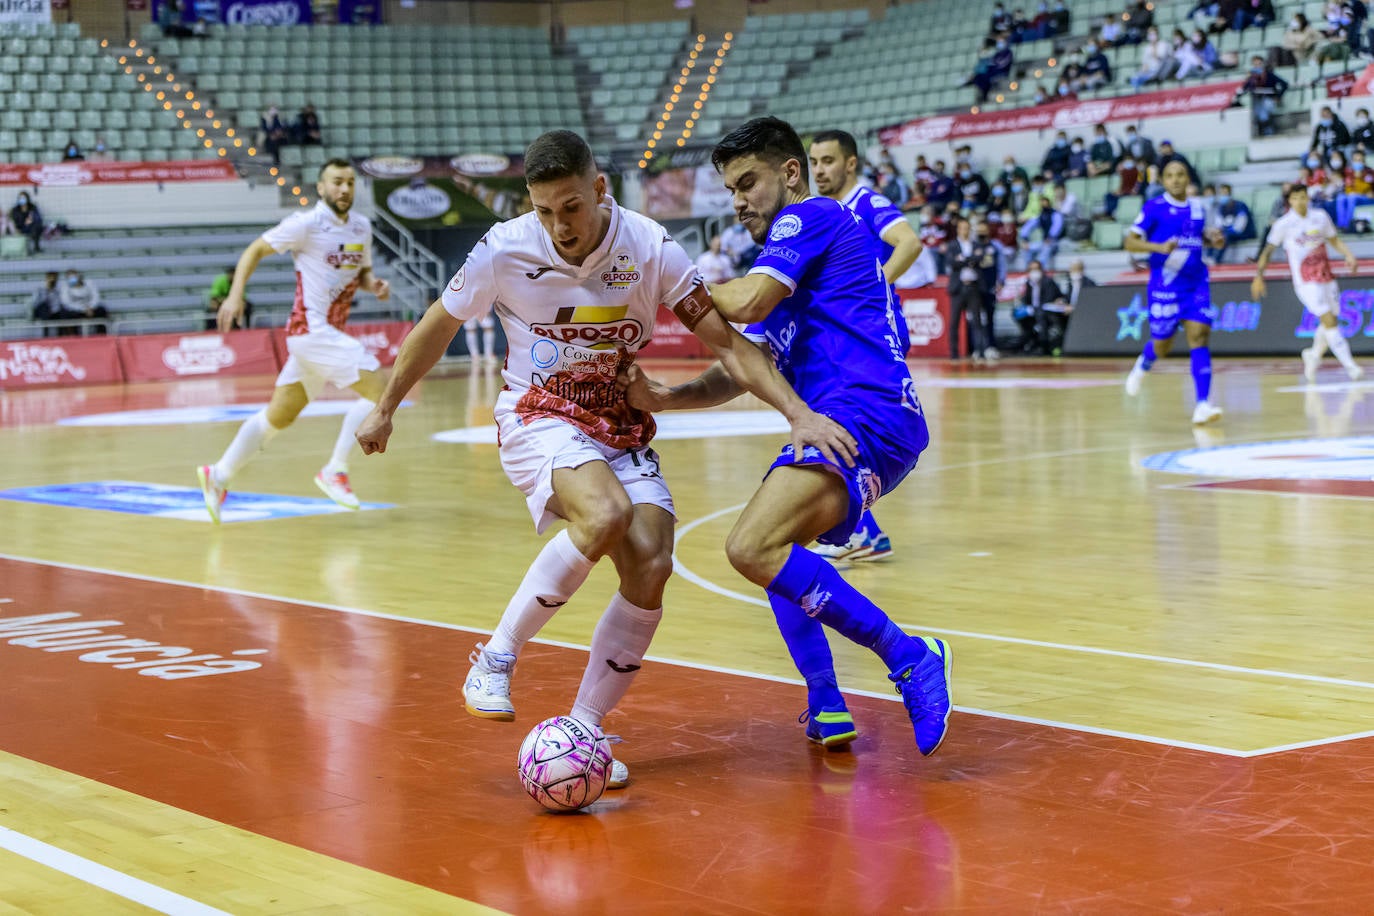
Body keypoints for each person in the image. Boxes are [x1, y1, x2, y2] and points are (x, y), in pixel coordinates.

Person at [354, 129, 854, 785]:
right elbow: (436, 325)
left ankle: (584, 730)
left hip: (618, 421)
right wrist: (386, 405)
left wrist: (797, 412)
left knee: (652, 561)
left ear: (599, 190)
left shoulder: (647, 246)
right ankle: (496, 657)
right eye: (544, 211)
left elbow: (728, 345)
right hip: (539, 413)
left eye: (571, 207)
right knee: (605, 514)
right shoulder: (504, 250)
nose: (559, 225)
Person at [619, 116, 952, 757]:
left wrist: (662, 284)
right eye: (731, 189)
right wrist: (672, 399)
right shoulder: (796, 270)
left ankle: (912, 656)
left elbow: (741, 303)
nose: (739, 200)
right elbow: (744, 369)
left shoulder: (812, 215)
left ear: (790, 174)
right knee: (778, 553)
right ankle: (827, 701)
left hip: (864, 411)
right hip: (871, 420)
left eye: (749, 182)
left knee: (750, 545)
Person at [196, 158, 392, 523]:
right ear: (321, 188)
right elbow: (254, 250)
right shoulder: (305, 224)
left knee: (278, 417)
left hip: (323, 337)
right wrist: (235, 295)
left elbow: (361, 272)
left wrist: (373, 285)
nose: (344, 189)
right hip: (310, 330)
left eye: (350, 182)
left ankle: (217, 475)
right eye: (336, 182)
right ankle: (335, 469)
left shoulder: (362, 227)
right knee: (383, 392)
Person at [807, 128, 925, 563]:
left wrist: (877, 285)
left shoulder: (866, 202)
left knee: (839, 426)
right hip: (846, 339)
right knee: (831, 427)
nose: (820, 169)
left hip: (872, 336)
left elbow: (909, 242)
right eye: (814, 161)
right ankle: (862, 529)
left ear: (850, 163)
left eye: (828, 161)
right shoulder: (823, 210)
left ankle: (861, 529)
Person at [1124, 160, 1225, 425]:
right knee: (1163, 345)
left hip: (1196, 283)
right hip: (1165, 287)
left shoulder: (1197, 207)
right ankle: (1144, 363)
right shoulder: (1154, 208)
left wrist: (1211, 240)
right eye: (1170, 176)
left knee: (1199, 337)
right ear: (1164, 181)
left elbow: (1197, 236)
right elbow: (1129, 241)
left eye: (1180, 175)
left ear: (1187, 178)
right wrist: (1158, 248)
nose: (1176, 180)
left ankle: (1203, 403)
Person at [1251, 184, 1364, 382]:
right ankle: (1351, 366)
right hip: (1305, 281)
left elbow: (1334, 240)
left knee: (1331, 320)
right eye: (1296, 198)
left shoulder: (1320, 217)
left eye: (1303, 197)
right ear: (1290, 201)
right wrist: (1259, 276)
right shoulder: (1284, 224)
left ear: (1308, 198)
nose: (1300, 201)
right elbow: (1268, 251)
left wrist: (1348, 255)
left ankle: (1313, 356)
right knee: (1328, 320)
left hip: (1326, 275)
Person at [945, 217, 996, 362]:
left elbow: (980, 259)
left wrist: (963, 259)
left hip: (974, 286)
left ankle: (980, 351)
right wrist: (970, 260)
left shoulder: (976, 244)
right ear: (958, 229)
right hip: (958, 287)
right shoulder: (953, 245)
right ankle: (954, 354)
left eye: (967, 228)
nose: (965, 230)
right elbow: (951, 262)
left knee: (977, 320)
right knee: (954, 321)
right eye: (962, 228)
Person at [1014, 259, 1067, 354]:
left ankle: (1043, 345)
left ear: (1041, 270)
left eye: (1036, 269)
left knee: (1040, 315)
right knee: (1018, 314)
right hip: (1034, 311)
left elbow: (1048, 299)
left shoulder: (1048, 282)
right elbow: (1026, 300)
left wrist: (1034, 308)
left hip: (1047, 312)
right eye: (1031, 270)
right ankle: (1029, 340)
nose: (1034, 272)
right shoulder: (1029, 283)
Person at [1206, 184, 1256, 263]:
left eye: (1225, 193)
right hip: (1228, 232)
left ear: (1230, 194)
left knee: (1224, 235)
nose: (1223, 195)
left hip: (1244, 233)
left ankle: (1216, 259)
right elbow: (1218, 223)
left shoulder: (1240, 205)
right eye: (1221, 194)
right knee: (1213, 234)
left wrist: (1225, 231)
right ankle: (1208, 257)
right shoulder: (1221, 207)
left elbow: (1240, 227)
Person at [59, 269, 108, 335]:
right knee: (64, 314)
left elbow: (96, 297)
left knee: (102, 311)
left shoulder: (89, 283)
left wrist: (91, 307)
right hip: (76, 311)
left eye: (73, 277)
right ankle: (72, 336)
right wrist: (83, 309)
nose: (72, 279)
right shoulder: (65, 287)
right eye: (69, 277)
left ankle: (101, 335)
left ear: (78, 276)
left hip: (90, 309)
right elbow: (67, 303)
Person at [30, 271, 79, 337]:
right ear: (47, 278)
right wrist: (46, 292)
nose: (52, 280)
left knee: (63, 312)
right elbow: (34, 303)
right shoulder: (40, 289)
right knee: (44, 307)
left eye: (54, 278)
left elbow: (61, 302)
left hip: (55, 311)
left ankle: (60, 336)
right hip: (43, 311)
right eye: (50, 278)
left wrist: (54, 310)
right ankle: (46, 336)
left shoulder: (59, 290)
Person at [205, 265, 251, 331]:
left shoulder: (239, 282)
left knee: (247, 306)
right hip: (221, 303)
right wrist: (227, 301)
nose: (232, 276)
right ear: (227, 274)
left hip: (235, 303)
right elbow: (214, 297)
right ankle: (211, 329)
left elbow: (243, 298)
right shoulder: (220, 281)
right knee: (212, 308)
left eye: (234, 274)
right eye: (230, 274)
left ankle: (241, 327)